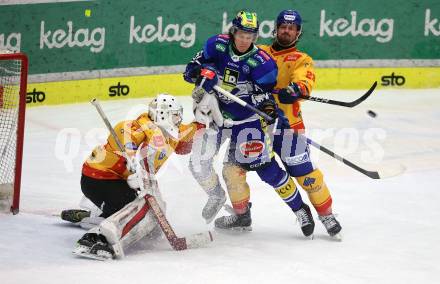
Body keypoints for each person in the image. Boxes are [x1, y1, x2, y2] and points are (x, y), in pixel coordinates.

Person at [184, 11, 314, 237]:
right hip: (216, 115)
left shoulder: (263, 63)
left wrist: (267, 107)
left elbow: (265, 96)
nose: (246, 40)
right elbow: (193, 69)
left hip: (246, 121)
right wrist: (196, 71)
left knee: (265, 169)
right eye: (242, 34)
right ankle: (218, 197)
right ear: (234, 31)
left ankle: (300, 209)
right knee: (198, 162)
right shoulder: (216, 45)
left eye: (251, 35)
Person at [63, 94, 203, 259]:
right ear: (163, 114)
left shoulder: (170, 131)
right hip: (99, 180)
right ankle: (96, 238)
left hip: (119, 182)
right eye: (175, 114)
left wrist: (204, 121)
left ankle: (94, 216)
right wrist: (130, 162)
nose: (179, 119)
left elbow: (186, 140)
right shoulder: (137, 128)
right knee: (136, 211)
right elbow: (124, 134)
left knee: (152, 227)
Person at [258, 10, 342, 238]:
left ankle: (326, 214)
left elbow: (305, 81)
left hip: (288, 128)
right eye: (283, 26)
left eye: (292, 28)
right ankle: (246, 214)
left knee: (306, 175)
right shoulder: (259, 52)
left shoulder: (302, 59)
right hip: (255, 128)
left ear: (298, 32)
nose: (287, 30)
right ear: (275, 28)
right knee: (261, 173)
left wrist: (296, 90)